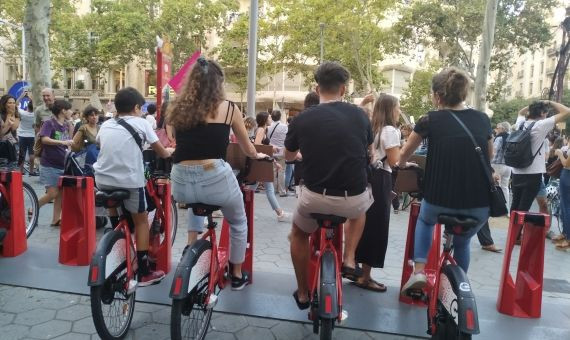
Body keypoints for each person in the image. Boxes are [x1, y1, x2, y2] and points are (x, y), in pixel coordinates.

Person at [166, 58, 268, 290]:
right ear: (218, 83)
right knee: (238, 222)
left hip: (180, 178)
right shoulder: (229, 108)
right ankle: (237, 272)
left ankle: (190, 245)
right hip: (214, 176)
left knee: (195, 202)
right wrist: (257, 156)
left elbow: (173, 139)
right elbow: (246, 147)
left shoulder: (176, 108)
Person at [284, 61, 374, 309]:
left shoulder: (303, 118)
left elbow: (289, 157)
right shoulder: (360, 115)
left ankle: (303, 292)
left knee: (299, 234)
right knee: (363, 208)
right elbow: (367, 149)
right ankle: (349, 256)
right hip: (352, 200)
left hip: (314, 198)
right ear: (343, 90)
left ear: (317, 87)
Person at [399, 67, 493, 294]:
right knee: (462, 242)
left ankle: (419, 270)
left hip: (439, 199)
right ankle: (460, 285)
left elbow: (404, 154)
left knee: (425, 220)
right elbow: (489, 156)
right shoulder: (482, 119)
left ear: (437, 96)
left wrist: (402, 165)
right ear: (464, 94)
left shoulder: (429, 120)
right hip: (479, 205)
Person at [94, 87, 173, 286]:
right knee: (141, 222)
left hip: (101, 179)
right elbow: (162, 152)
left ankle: (116, 236)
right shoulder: (141, 122)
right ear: (137, 107)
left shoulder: (105, 125)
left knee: (113, 202)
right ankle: (145, 272)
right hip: (130, 182)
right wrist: (170, 151)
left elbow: (100, 144)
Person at [354, 94, 401, 293]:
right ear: (391, 109)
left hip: (367, 177)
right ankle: (365, 276)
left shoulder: (373, 127)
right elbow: (394, 160)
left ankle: (356, 269)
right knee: (377, 227)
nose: (399, 111)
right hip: (381, 178)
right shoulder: (390, 130)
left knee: (363, 223)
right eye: (398, 107)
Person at [510, 101, 570, 214]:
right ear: (542, 113)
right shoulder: (540, 125)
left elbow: (521, 112)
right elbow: (567, 111)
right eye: (546, 114)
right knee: (523, 209)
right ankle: (518, 232)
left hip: (517, 171)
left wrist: (533, 106)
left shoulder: (521, 124)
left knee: (515, 205)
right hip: (532, 173)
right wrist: (549, 102)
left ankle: (512, 231)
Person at [38, 99, 73, 227]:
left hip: (62, 164)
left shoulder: (66, 125)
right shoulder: (49, 123)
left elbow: (68, 141)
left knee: (61, 194)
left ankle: (55, 219)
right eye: (69, 109)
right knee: (53, 193)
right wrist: (62, 143)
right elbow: (45, 139)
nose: (71, 111)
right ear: (63, 110)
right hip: (49, 164)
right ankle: (34, 208)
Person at [254, 111, 290, 221]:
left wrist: (272, 147)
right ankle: (280, 213)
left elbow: (263, 145)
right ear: (265, 119)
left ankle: (280, 213)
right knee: (259, 189)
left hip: (263, 162)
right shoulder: (261, 130)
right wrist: (271, 151)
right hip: (261, 163)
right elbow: (257, 145)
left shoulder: (264, 130)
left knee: (258, 189)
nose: (270, 119)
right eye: (269, 117)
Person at [267, 110, 290, 196]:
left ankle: (273, 190)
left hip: (271, 151)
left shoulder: (268, 127)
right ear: (280, 117)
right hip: (281, 151)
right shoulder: (285, 127)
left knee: (273, 171)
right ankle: (282, 191)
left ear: (271, 117)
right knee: (281, 171)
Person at [16, 91, 37, 175]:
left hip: (22, 135)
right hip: (32, 135)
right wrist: (31, 97)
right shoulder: (35, 115)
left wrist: (22, 96)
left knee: (22, 153)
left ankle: (21, 171)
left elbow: (16, 104)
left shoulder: (23, 113)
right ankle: (31, 171)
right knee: (32, 153)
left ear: (27, 107)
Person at [0, 95, 21, 159]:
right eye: (9, 103)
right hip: (2, 144)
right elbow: (2, 133)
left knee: (12, 165)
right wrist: (9, 115)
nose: (12, 105)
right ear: (4, 104)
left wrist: (13, 114)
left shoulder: (17, 114)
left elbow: (13, 128)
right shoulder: (1, 115)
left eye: (13, 103)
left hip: (13, 144)